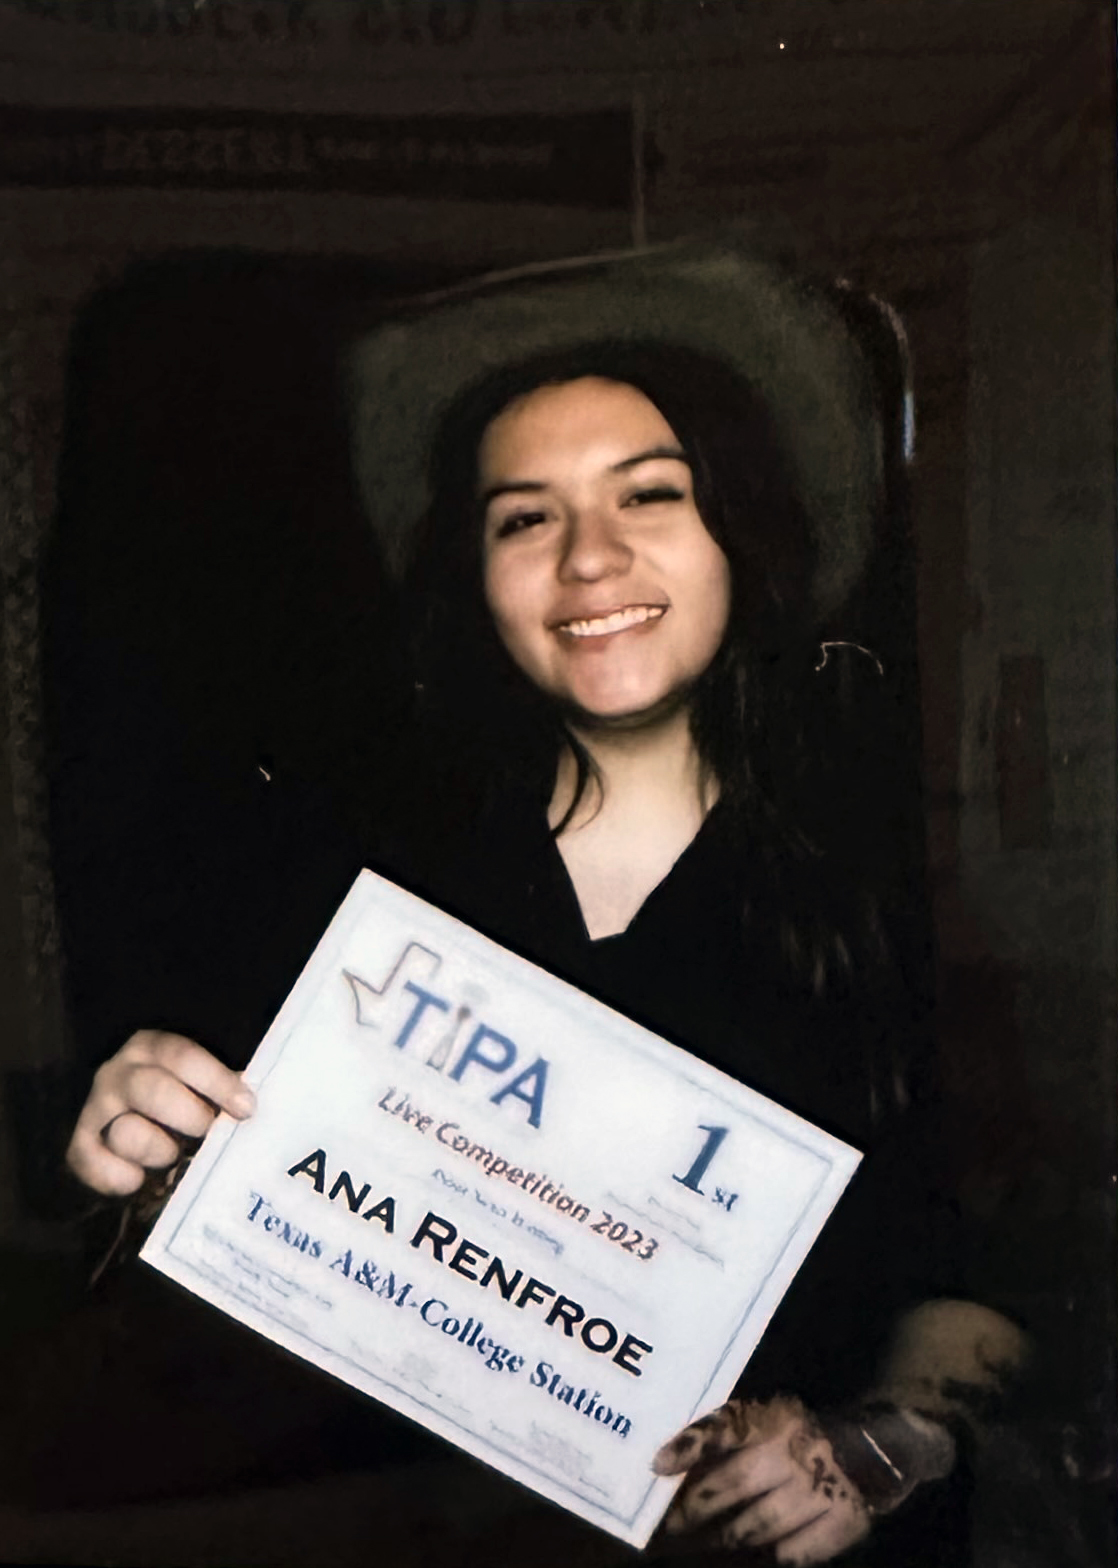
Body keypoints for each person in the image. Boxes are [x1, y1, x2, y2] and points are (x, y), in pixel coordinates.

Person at [55, 245, 1028, 1565]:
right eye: (525, 516)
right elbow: (234, 1294)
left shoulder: (884, 893)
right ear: (478, 575)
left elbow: (980, 1291)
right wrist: (144, 1162)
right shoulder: (349, 884)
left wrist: (880, 1447)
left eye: (649, 495)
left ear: (738, 530)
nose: (588, 560)